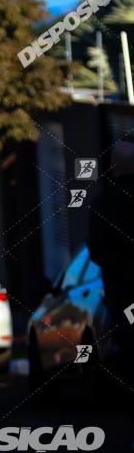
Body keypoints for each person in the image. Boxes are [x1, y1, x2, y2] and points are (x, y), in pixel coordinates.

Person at [87, 140, 134, 390]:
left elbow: (96, 251)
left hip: (122, 291)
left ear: (114, 168)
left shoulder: (103, 204)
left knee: (128, 341)